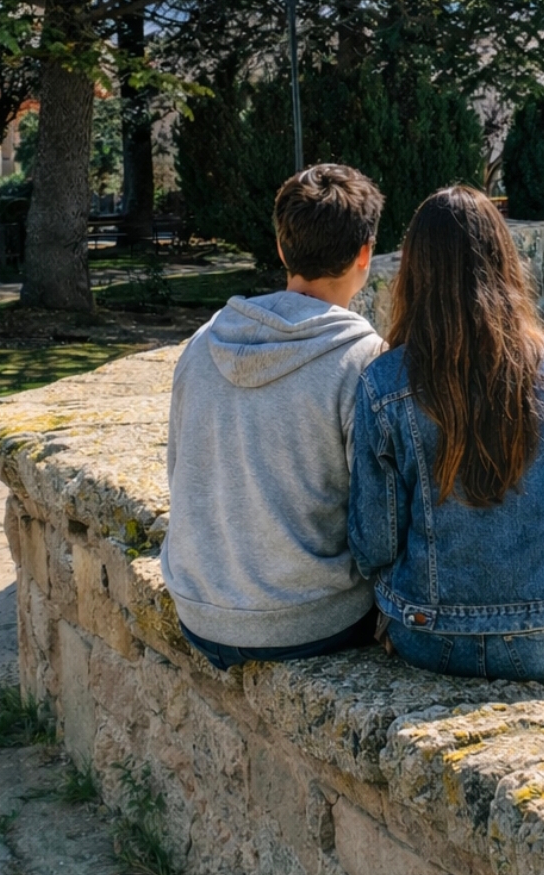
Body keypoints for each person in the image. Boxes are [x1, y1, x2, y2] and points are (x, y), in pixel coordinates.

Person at [348, 186, 544, 681]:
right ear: (504, 262)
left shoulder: (383, 383)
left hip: (428, 637)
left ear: (413, 273)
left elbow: (375, 545)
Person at [161, 164, 385, 668]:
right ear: (364, 255)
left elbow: (178, 472)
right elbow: (377, 526)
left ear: (283, 250)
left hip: (200, 614)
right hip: (310, 622)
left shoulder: (203, 343)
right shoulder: (362, 359)